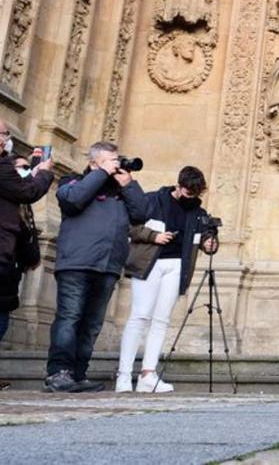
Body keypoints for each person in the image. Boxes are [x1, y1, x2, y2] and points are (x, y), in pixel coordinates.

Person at [46, 142, 148, 392]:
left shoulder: (120, 191)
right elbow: (73, 201)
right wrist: (100, 174)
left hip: (108, 265)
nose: (115, 165)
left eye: (117, 160)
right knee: (70, 318)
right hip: (77, 263)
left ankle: (78, 374)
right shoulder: (72, 181)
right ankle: (58, 373)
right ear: (93, 163)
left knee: (92, 325)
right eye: (109, 161)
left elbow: (143, 213)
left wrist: (129, 185)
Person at [116, 166, 217, 393]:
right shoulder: (154, 200)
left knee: (161, 320)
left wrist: (209, 244)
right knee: (140, 315)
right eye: (189, 193)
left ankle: (148, 374)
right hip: (150, 263)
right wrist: (155, 236)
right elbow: (131, 227)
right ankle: (123, 375)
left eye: (197, 195)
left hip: (177, 267)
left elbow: (203, 238)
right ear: (179, 186)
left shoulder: (198, 212)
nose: (192, 198)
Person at [1, 123, 54, 357]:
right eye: (4, 134)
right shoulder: (3, 167)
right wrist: (43, 173)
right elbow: (27, 192)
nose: (6, 138)